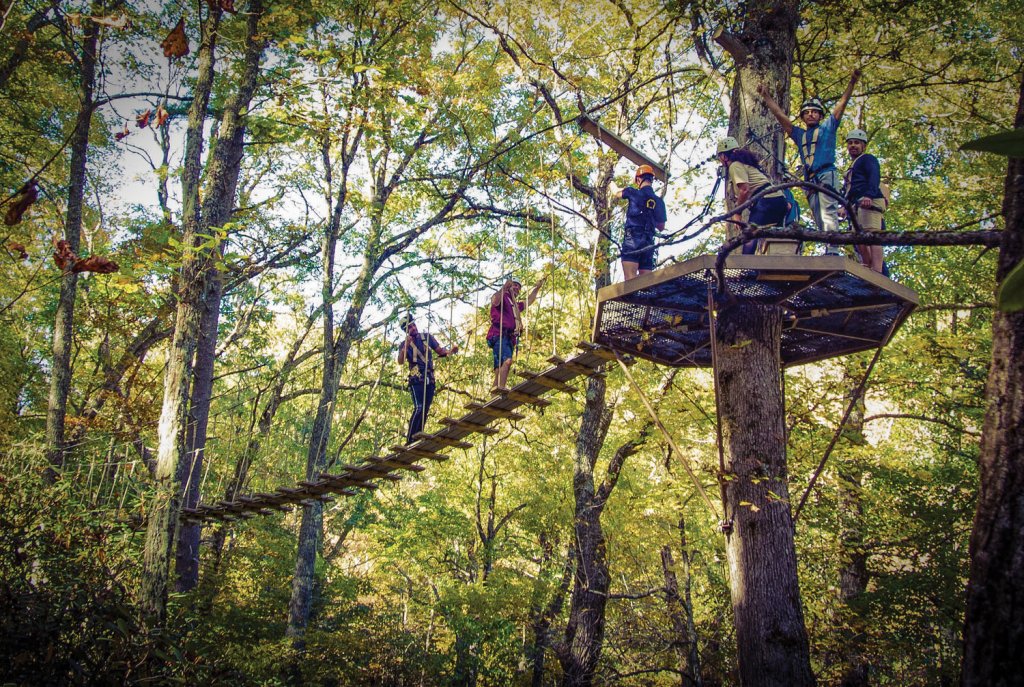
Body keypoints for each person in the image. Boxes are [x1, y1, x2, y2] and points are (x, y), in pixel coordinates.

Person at [757, 70, 861, 254]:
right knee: (818, 215)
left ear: (821, 116)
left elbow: (840, 107)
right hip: (811, 180)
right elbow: (781, 117)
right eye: (807, 113)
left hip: (826, 174)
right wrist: (766, 97)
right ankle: (830, 247)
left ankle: (833, 250)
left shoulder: (827, 129)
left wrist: (851, 83)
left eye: (815, 112)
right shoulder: (800, 135)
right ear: (803, 117)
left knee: (828, 210)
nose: (811, 115)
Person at [716, 137, 789, 254]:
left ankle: (746, 268)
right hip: (779, 200)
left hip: (765, 202)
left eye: (720, 157)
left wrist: (737, 213)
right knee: (776, 237)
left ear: (724, 156)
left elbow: (744, 190)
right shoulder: (749, 166)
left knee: (750, 235)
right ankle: (777, 265)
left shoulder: (734, 166)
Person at [397, 314, 457, 444]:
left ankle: (418, 436)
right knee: (419, 407)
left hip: (429, 377)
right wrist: (405, 347)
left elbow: (440, 351)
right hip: (416, 378)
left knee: (425, 408)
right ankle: (410, 439)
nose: (413, 328)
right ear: (406, 331)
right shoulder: (404, 344)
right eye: (409, 327)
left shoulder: (426, 337)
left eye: (413, 325)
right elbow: (400, 361)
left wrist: (451, 351)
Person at [487, 275, 546, 393]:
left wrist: (537, 288)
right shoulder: (504, 297)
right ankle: (501, 389)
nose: (517, 288)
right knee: (507, 362)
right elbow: (494, 301)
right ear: (509, 285)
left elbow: (529, 300)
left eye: (519, 287)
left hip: (508, 337)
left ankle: (494, 396)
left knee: (499, 369)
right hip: (499, 334)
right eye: (514, 285)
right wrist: (504, 287)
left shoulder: (515, 305)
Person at [610, 164, 667, 280]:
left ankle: (632, 298)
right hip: (648, 241)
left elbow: (616, 192)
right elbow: (661, 227)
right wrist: (649, 215)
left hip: (633, 238)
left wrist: (609, 181)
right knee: (645, 283)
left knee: (630, 279)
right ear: (651, 180)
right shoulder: (659, 201)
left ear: (638, 179)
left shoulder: (632, 192)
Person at [841, 128, 887, 272]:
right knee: (858, 237)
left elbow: (874, 177)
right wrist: (844, 206)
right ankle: (867, 264)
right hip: (856, 205)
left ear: (863, 146)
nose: (853, 145)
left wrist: (869, 195)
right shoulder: (852, 166)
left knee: (873, 235)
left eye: (857, 143)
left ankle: (877, 269)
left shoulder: (867, 159)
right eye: (850, 143)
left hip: (870, 201)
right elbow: (851, 189)